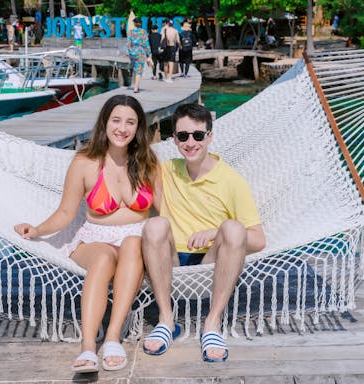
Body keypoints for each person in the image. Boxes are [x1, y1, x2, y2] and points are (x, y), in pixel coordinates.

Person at [14, 95, 159, 373]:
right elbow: (66, 213)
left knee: (133, 243)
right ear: (104, 122)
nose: (122, 128)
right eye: (116, 120)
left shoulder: (148, 163)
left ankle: (114, 337)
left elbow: (166, 212)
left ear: (138, 127)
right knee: (104, 257)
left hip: (135, 241)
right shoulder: (85, 161)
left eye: (130, 122)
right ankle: (89, 346)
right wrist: (38, 229)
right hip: (95, 238)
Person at [141, 103, 266, 362]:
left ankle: (212, 323)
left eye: (198, 135)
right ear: (174, 139)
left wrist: (213, 233)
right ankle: (166, 320)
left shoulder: (231, 181)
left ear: (209, 136)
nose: (191, 143)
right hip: (171, 259)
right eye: (183, 136)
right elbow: (125, 165)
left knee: (233, 227)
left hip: (211, 262)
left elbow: (258, 239)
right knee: (155, 225)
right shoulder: (166, 171)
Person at [126, 17, 151, 93]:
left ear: (134, 24)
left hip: (132, 52)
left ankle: (135, 85)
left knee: (134, 69)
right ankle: (136, 88)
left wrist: (127, 51)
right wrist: (149, 54)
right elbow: (146, 44)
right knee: (139, 70)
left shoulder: (131, 31)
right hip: (140, 52)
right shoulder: (143, 32)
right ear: (140, 24)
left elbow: (128, 42)